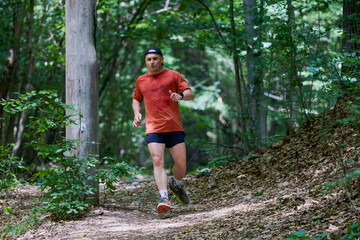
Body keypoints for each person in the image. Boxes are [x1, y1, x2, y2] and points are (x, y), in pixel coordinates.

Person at [132, 47, 195, 213]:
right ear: (145, 61)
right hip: (153, 128)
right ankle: (164, 197)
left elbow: (190, 94)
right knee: (158, 160)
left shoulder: (173, 75)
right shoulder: (141, 80)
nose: (152, 62)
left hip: (174, 127)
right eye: (149, 59)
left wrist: (180, 96)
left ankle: (176, 184)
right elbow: (136, 99)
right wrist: (137, 113)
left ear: (162, 59)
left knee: (181, 165)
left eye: (155, 58)